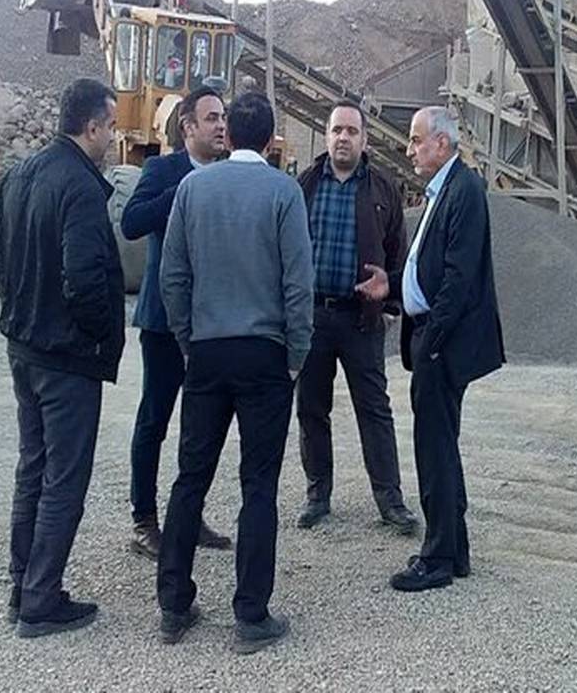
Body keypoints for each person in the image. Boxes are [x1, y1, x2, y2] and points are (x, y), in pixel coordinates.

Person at [156, 93, 314, 653]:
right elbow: (298, 282)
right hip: (264, 355)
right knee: (258, 485)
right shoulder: (283, 192)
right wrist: (296, 354)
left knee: (190, 477)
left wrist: (188, 340)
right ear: (271, 140)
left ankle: (174, 605)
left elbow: (173, 277)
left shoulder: (192, 189)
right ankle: (251, 614)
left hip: (206, 351)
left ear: (229, 136)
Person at [0, 78, 125, 636]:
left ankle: (23, 587)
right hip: (66, 358)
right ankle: (40, 600)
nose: (113, 138)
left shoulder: (19, 174)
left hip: (25, 349)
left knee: (33, 470)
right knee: (63, 480)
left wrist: (26, 295)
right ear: (91, 126)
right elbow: (85, 279)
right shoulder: (82, 188)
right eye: (111, 127)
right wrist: (97, 334)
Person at [355, 106, 505, 593]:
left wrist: (432, 345)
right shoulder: (446, 190)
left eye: (416, 140)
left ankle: (437, 558)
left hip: (442, 346)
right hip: (434, 339)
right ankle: (454, 550)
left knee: (434, 449)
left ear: (442, 142)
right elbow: (430, 269)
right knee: (440, 446)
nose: (410, 149)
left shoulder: (465, 191)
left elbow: (458, 280)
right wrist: (394, 283)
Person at [120, 87, 233, 562]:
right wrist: (184, 191)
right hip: (165, 322)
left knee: (201, 425)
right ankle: (144, 521)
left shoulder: (230, 174)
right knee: (155, 419)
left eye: (223, 117)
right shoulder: (162, 171)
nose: (221, 125)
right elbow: (132, 222)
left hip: (211, 324)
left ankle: (189, 512)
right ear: (187, 127)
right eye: (211, 118)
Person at [294, 103, 418, 535]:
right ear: (326, 135)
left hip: (361, 320)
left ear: (364, 139)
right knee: (311, 409)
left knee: (374, 410)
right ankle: (317, 495)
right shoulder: (306, 184)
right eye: (336, 130)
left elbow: (397, 250)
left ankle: (390, 500)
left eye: (351, 131)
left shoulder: (382, 188)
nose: (343, 138)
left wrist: (389, 305)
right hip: (313, 316)